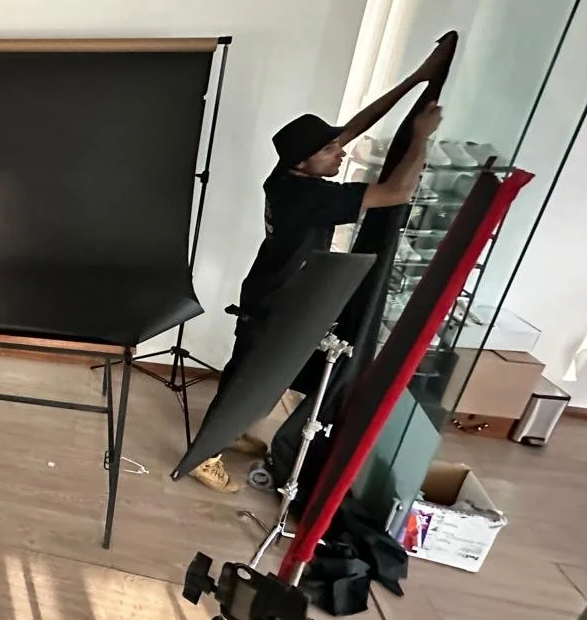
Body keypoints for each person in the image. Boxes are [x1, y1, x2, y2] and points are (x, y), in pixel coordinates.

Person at [190, 47, 450, 493]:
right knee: (244, 379)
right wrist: (421, 137)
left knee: (264, 377)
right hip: (273, 301)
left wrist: (418, 79)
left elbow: (357, 125)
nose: (340, 155)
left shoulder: (291, 171)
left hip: (279, 292)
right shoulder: (308, 198)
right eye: (330, 151)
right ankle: (204, 456)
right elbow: (398, 191)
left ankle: (229, 433)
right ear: (304, 161)